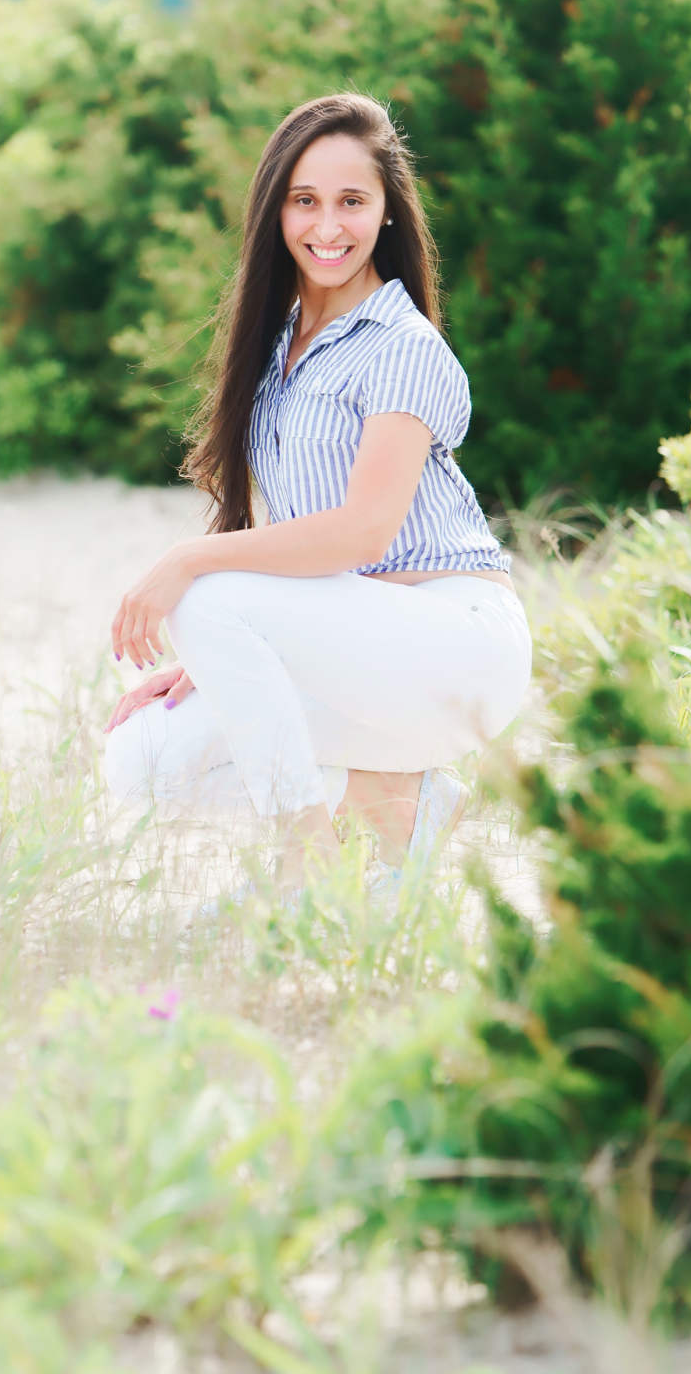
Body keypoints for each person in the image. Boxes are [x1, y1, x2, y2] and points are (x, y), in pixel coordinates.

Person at [103, 93, 531, 892]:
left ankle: (304, 863)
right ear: (276, 211)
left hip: (457, 647)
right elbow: (299, 565)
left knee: (205, 592)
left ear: (388, 215)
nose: (326, 227)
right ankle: (400, 804)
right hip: (364, 647)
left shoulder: (403, 346)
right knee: (144, 758)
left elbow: (364, 535)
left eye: (351, 202)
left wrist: (192, 568)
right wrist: (226, 654)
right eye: (304, 201)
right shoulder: (275, 346)